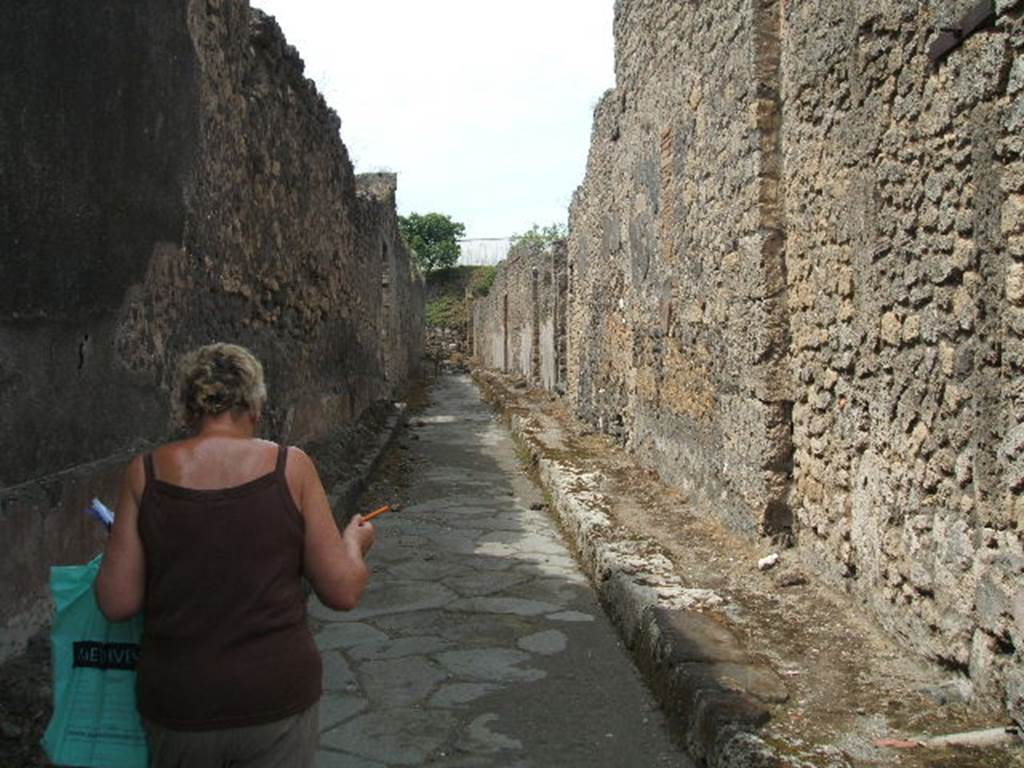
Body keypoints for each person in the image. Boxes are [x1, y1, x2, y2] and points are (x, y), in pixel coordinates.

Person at [95, 342, 375, 767]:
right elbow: (342, 591)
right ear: (256, 405)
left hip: (180, 703)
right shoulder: (291, 467)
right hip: (276, 696)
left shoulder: (145, 472)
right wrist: (353, 544)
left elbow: (117, 602)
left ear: (188, 409)